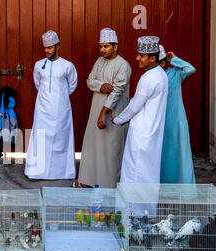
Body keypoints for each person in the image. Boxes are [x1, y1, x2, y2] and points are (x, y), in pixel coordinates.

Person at [75, 28, 131, 188]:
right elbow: (89, 80)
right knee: (93, 146)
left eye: (106, 46)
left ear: (116, 46)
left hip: (114, 112)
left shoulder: (123, 65)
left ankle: (109, 185)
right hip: (96, 109)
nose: (102, 50)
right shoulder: (99, 62)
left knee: (111, 149)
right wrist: (101, 86)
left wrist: (103, 113)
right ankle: (88, 181)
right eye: (100, 46)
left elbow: (118, 91)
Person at [111, 36, 168, 184]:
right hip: (153, 132)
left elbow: (134, 106)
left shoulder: (148, 78)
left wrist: (118, 119)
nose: (137, 58)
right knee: (148, 173)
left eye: (142, 56)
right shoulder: (161, 75)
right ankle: (147, 208)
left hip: (141, 133)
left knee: (134, 173)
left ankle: (132, 208)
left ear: (153, 58)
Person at [25, 30, 78, 180]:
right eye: (45, 48)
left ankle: (62, 173)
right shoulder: (38, 65)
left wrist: (60, 97)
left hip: (61, 109)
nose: (47, 51)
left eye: (50, 47)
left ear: (58, 47)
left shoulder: (67, 66)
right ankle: (36, 172)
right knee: (40, 138)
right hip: (42, 109)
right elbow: (38, 83)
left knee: (61, 138)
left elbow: (72, 85)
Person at [158, 45, 196, 184]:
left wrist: (174, 59)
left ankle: (182, 188)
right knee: (162, 155)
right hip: (159, 121)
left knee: (178, 155)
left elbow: (190, 69)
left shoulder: (175, 73)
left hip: (176, 120)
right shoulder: (151, 77)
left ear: (162, 63)